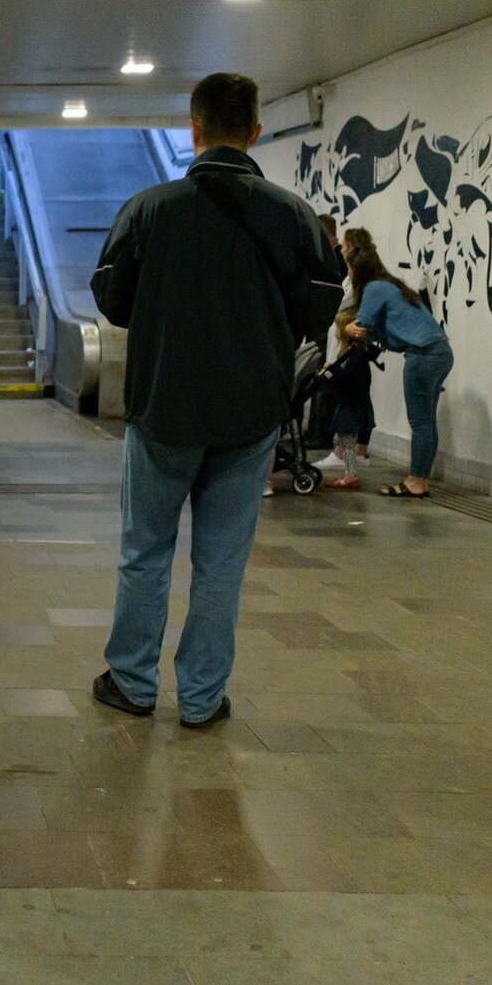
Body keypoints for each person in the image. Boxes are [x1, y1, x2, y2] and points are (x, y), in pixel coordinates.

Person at [89, 72, 337, 726]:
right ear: (255, 131)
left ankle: (132, 683)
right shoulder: (293, 216)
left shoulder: (150, 209)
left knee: (145, 553)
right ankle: (201, 699)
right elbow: (318, 307)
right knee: (221, 564)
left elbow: (111, 297)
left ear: (193, 129)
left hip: (163, 408)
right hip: (250, 418)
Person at [345, 229, 453, 497]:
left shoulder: (373, 288)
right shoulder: (390, 285)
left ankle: (416, 481)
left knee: (420, 422)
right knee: (427, 421)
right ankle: (421, 480)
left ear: (355, 268)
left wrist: (346, 328)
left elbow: (361, 327)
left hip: (422, 354)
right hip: (440, 351)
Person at [321, 316, 377, 491]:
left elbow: (348, 378)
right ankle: (349, 473)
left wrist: (332, 369)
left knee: (347, 443)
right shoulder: (357, 353)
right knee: (343, 440)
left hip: (351, 406)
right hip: (353, 404)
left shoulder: (356, 354)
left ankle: (351, 475)